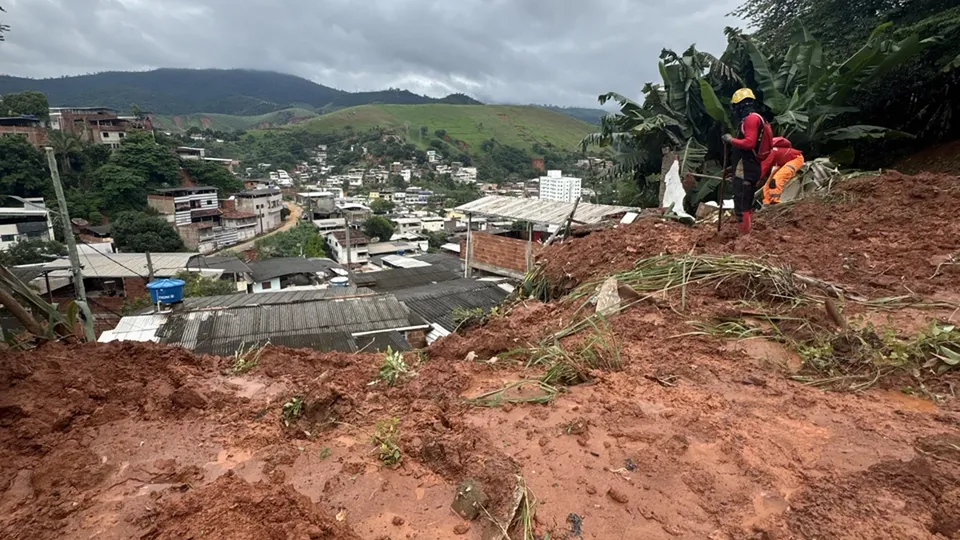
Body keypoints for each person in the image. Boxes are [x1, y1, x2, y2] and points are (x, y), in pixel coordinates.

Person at [722, 88, 773, 234]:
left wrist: (731, 140)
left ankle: (745, 236)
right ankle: (745, 234)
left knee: (742, 201)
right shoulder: (754, 119)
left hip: (747, 168)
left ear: (740, 105)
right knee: (745, 201)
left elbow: (749, 143)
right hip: (749, 166)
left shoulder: (751, 119)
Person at [761, 137, 804, 205]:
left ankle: (775, 201)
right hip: (783, 163)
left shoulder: (770, 152)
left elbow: (764, 167)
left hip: (795, 159)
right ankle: (767, 201)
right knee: (768, 183)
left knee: (776, 180)